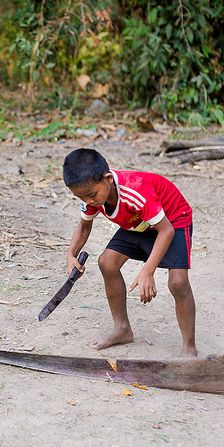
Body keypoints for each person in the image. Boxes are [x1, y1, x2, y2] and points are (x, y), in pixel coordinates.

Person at [62, 148, 197, 357]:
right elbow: (84, 226)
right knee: (107, 262)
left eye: (91, 195)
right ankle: (122, 330)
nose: (88, 201)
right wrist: (71, 255)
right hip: (139, 222)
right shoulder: (92, 195)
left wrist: (148, 271)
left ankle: (189, 347)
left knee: (178, 282)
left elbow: (166, 230)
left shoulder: (134, 191)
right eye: (80, 197)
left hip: (172, 220)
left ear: (108, 179)